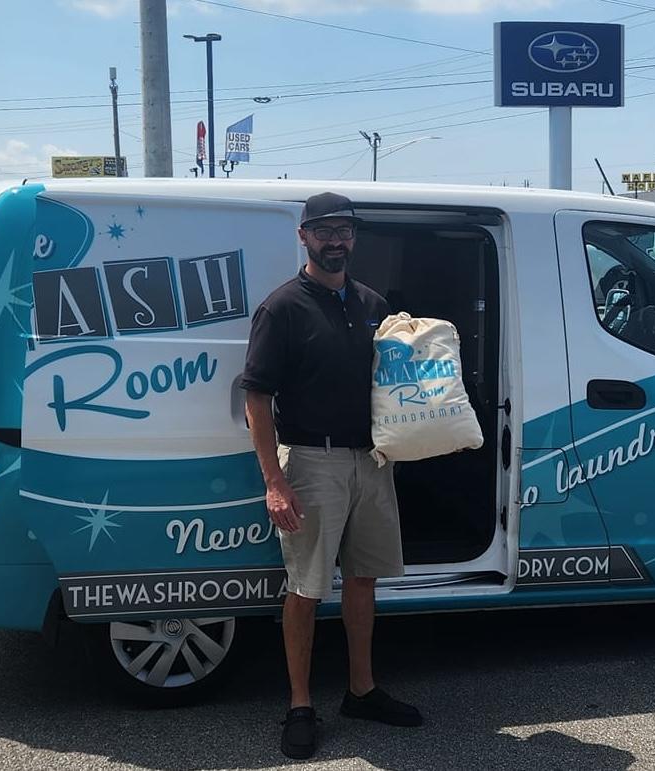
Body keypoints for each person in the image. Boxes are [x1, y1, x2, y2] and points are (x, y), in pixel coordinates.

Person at [241, 192, 423, 760]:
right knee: (306, 588)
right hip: (312, 462)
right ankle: (299, 705)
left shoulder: (371, 303)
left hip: (371, 461)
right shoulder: (282, 307)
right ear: (304, 237)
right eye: (324, 231)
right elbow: (256, 398)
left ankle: (361, 691)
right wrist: (274, 480)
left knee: (364, 579)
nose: (336, 240)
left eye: (344, 230)